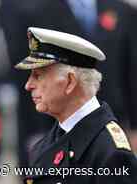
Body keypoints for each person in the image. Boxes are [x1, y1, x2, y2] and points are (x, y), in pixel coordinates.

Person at [16, 27, 137, 184]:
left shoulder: (110, 153)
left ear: (70, 82)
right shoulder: (47, 142)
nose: (28, 85)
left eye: (38, 76)